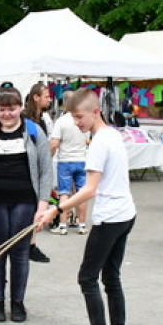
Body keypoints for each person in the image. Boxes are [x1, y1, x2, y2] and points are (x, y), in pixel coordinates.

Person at [34, 88, 135, 325]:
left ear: (95, 111)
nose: (77, 123)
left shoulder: (101, 141)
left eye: (79, 117)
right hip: (125, 214)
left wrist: (56, 208)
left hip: (111, 217)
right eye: (73, 118)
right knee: (111, 276)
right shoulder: (112, 135)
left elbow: (89, 189)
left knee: (87, 278)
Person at [0, 85, 53, 323]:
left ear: (20, 108)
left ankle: (18, 302)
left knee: (20, 252)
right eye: (2, 109)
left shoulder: (34, 131)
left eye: (12, 109)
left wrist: (42, 205)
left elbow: (46, 171)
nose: (7, 114)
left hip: (24, 201)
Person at [50, 92, 89, 235]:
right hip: (82, 159)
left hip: (65, 161)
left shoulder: (61, 121)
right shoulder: (84, 120)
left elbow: (54, 143)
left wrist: (50, 156)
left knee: (64, 193)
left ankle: (62, 225)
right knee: (82, 193)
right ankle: (82, 224)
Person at [23, 82, 53, 264]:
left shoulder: (41, 118)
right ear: (36, 97)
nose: (49, 99)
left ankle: (31, 244)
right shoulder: (28, 120)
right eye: (46, 96)